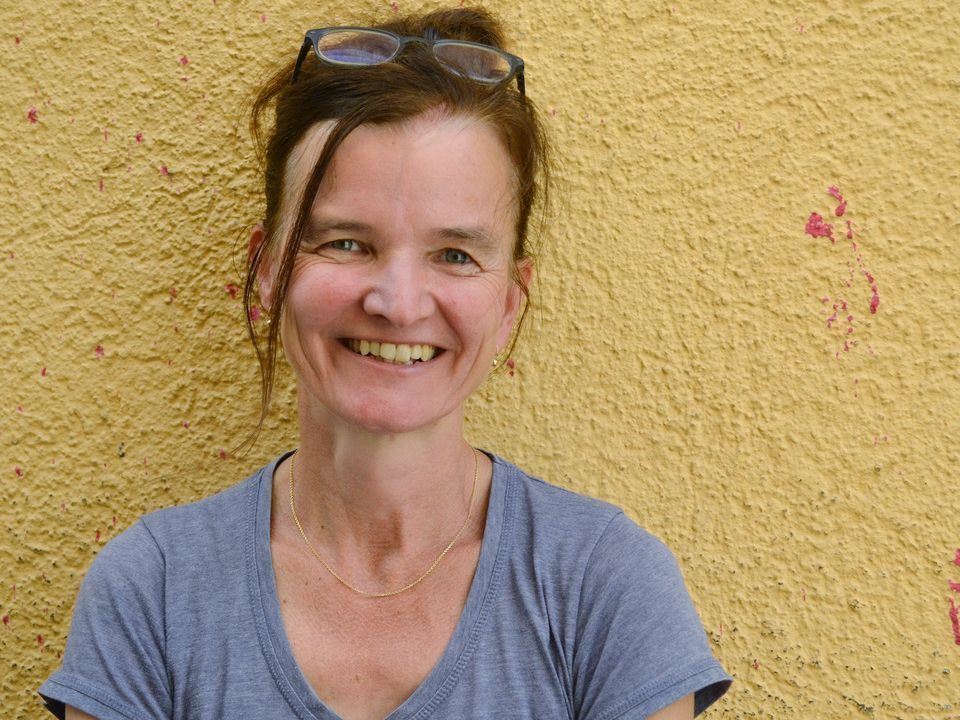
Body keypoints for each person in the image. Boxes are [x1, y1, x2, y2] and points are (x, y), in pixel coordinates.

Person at [39, 6, 731, 719]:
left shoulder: (605, 587)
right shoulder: (152, 591)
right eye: (345, 243)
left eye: (454, 255)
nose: (399, 305)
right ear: (269, 269)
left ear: (509, 301)